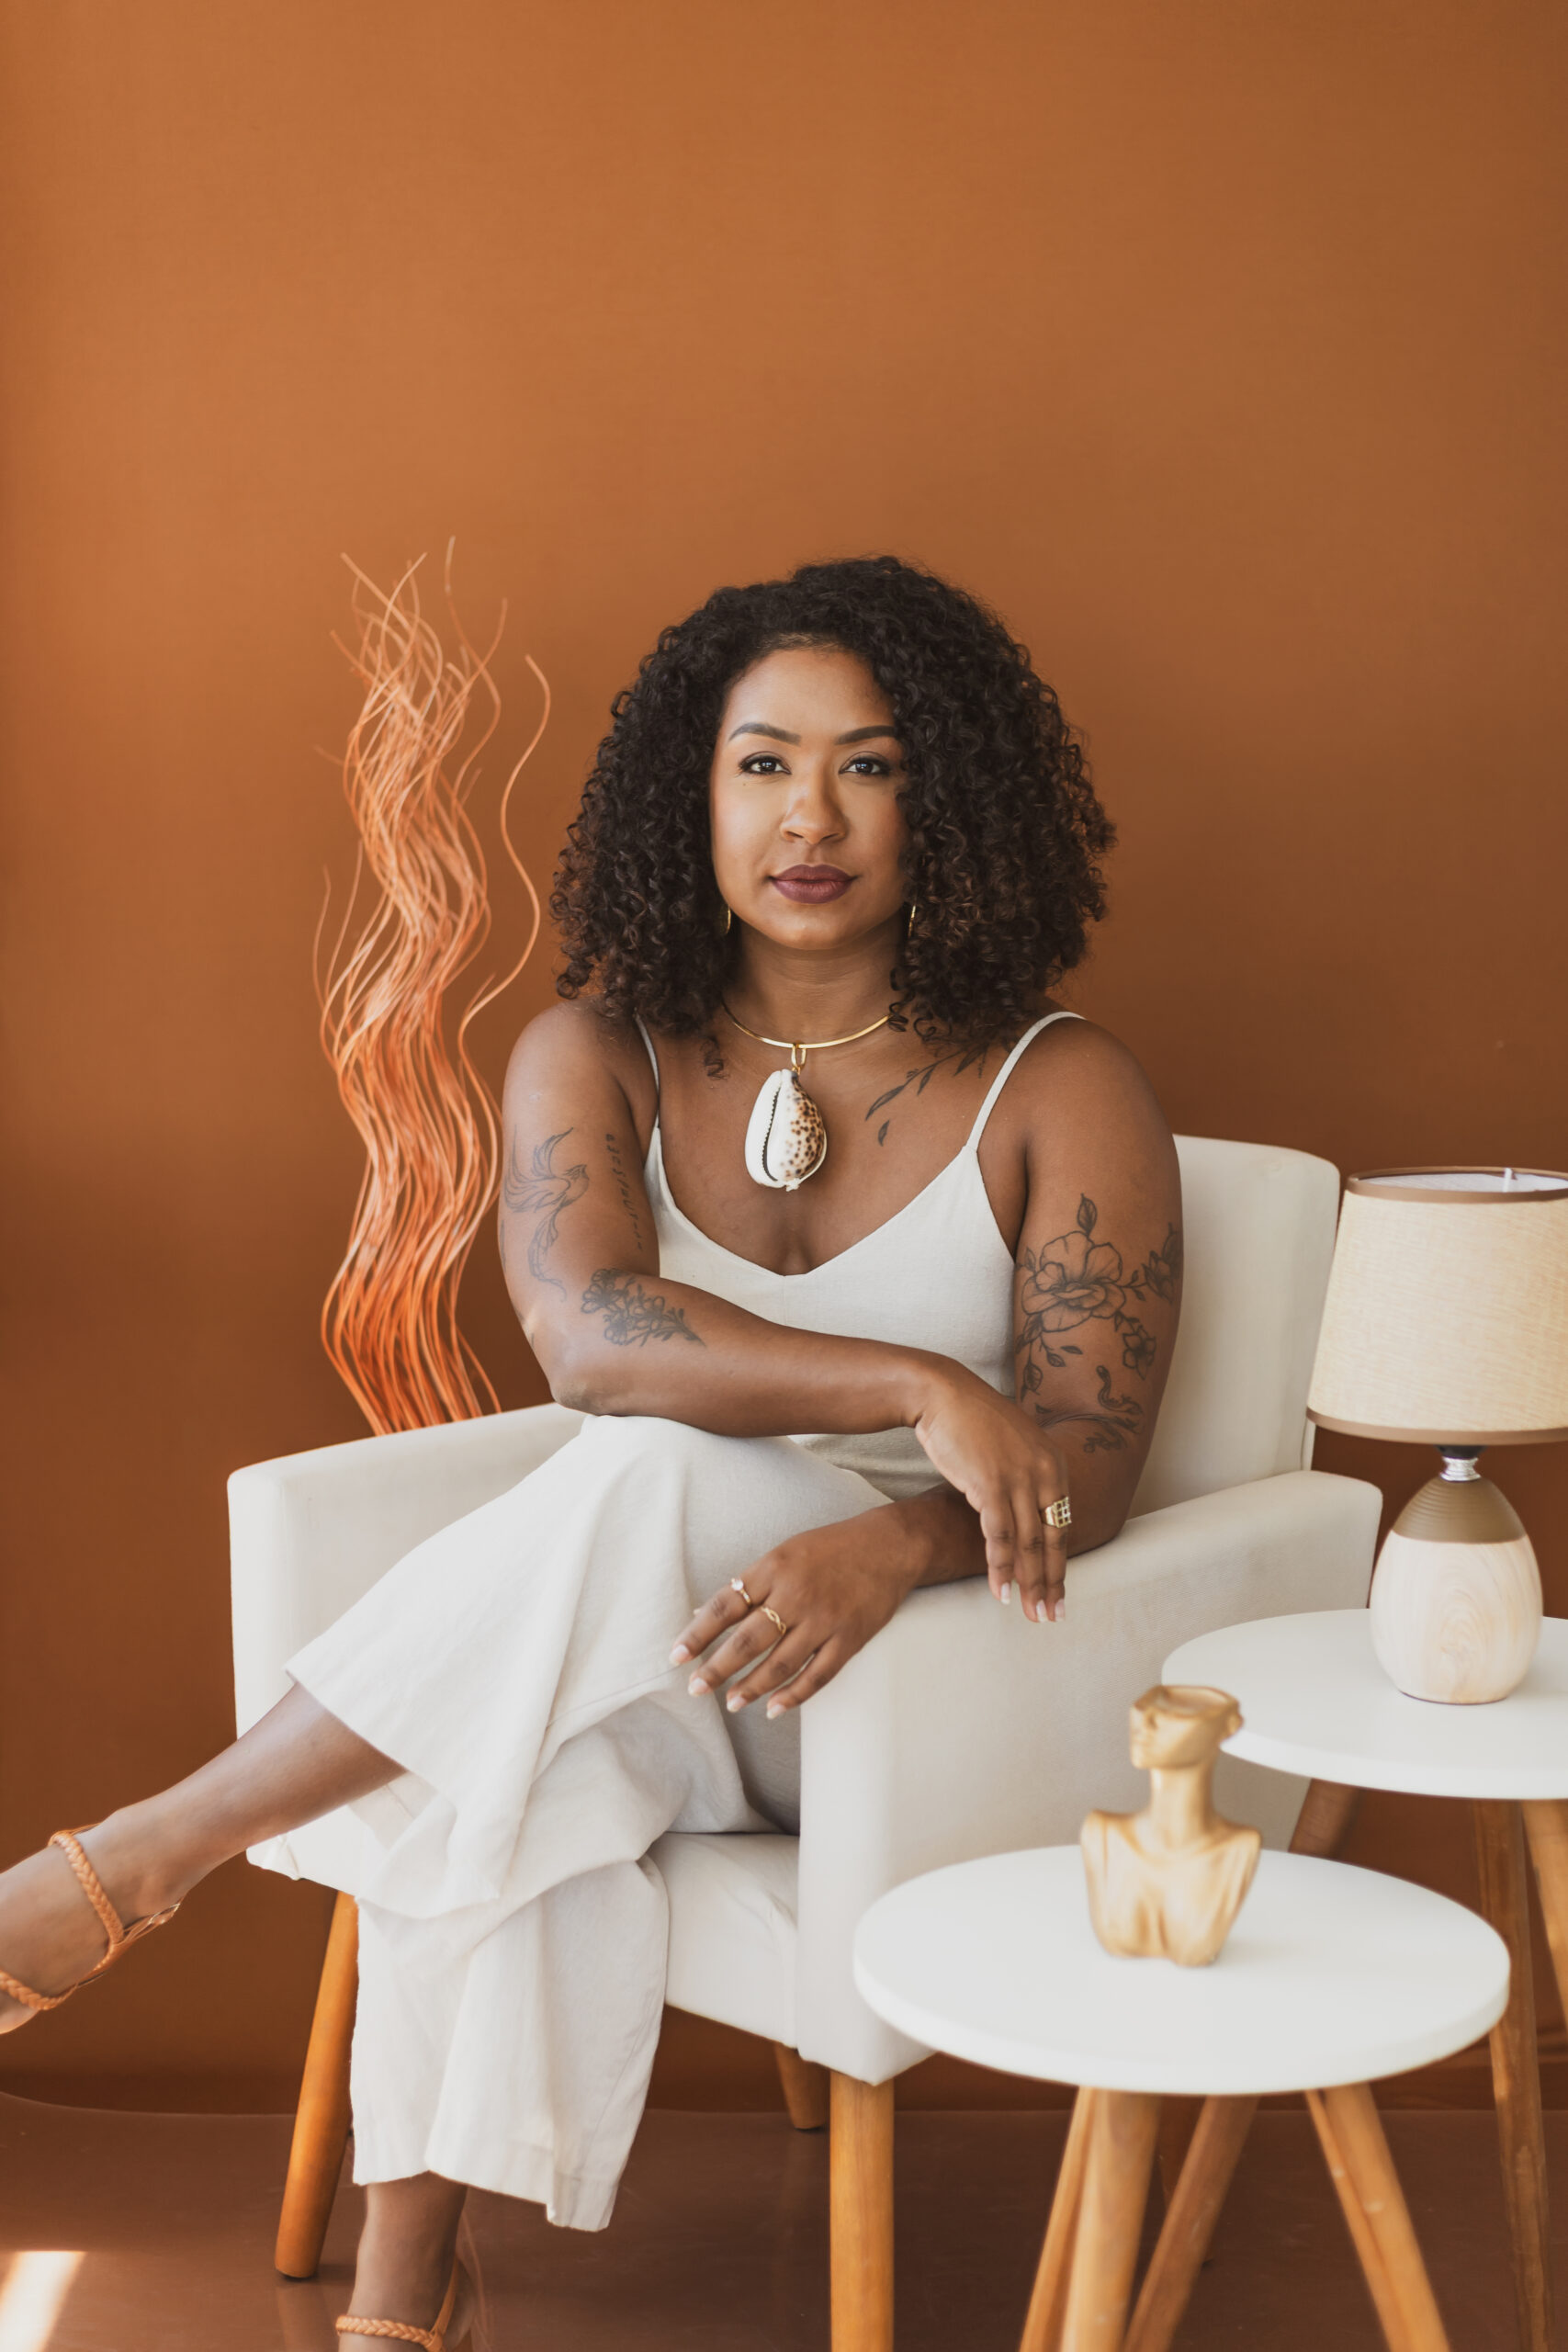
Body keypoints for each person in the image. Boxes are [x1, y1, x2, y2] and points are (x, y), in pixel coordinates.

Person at [0, 555, 1181, 2348]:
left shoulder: (1060, 1082)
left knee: (632, 1484)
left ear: (946, 802)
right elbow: (588, 1335)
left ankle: (149, 1855)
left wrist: (893, 1539)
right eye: (762, 764)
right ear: (688, 796)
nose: (809, 817)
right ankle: (405, 2303)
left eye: (868, 766)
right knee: (527, 1760)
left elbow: (1088, 1456)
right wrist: (915, 1384)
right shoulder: (595, 1052)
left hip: (925, 1683)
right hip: (673, 1657)